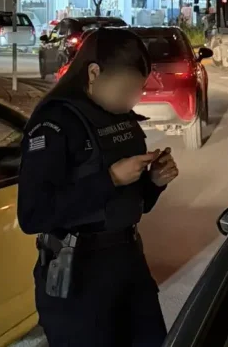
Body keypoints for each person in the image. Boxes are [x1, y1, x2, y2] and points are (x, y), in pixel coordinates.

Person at [17, 28, 178, 347]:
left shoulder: (120, 119)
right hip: (79, 278)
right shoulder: (54, 123)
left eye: (139, 89)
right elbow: (33, 215)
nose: (133, 99)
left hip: (128, 266)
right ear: (93, 73)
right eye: (126, 89)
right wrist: (111, 179)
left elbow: (133, 205)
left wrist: (154, 183)